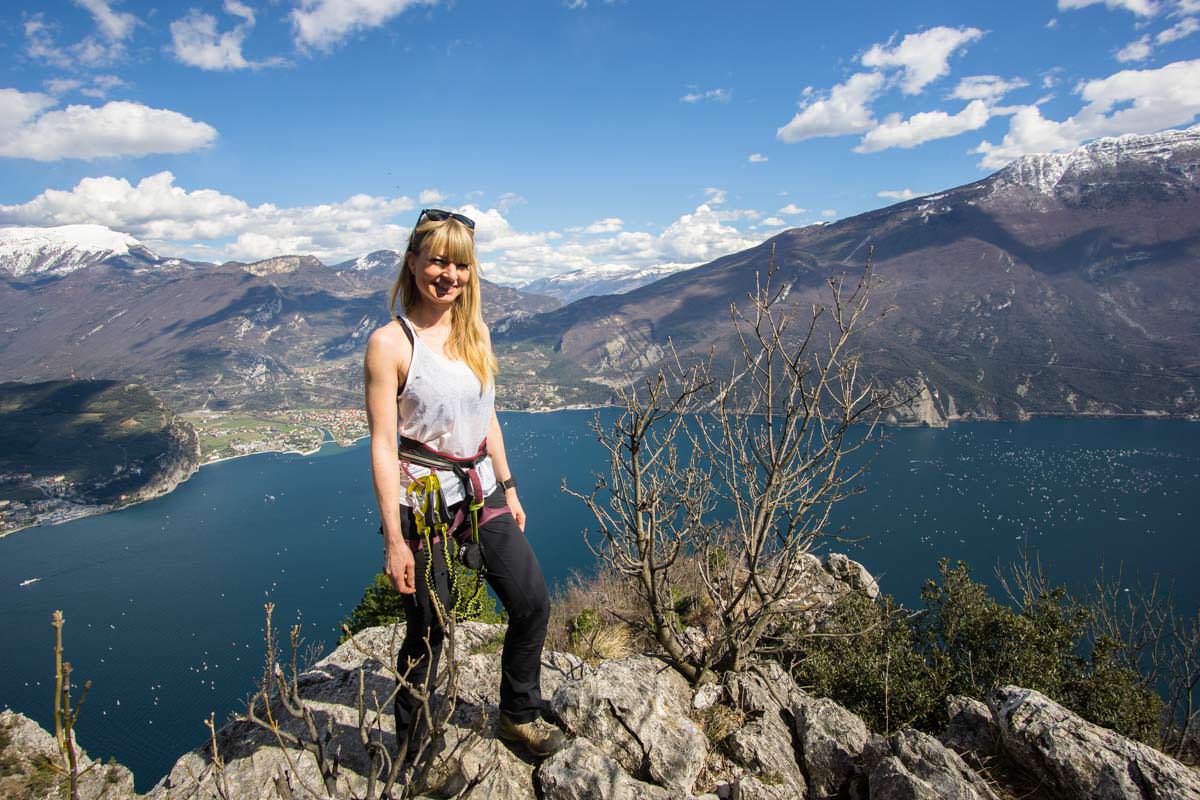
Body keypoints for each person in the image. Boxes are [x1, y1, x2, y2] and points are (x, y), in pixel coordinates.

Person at [363, 208, 566, 762]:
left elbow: (487, 414)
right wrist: (394, 540)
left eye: (461, 264)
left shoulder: (474, 331)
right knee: (429, 626)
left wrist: (510, 486)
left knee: (531, 602)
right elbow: (383, 444)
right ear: (412, 263)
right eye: (438, 261)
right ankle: (415, 751)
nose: (449, 274)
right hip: (421, 502)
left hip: (479, 493)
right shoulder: (391, 344)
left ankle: (518, 715)